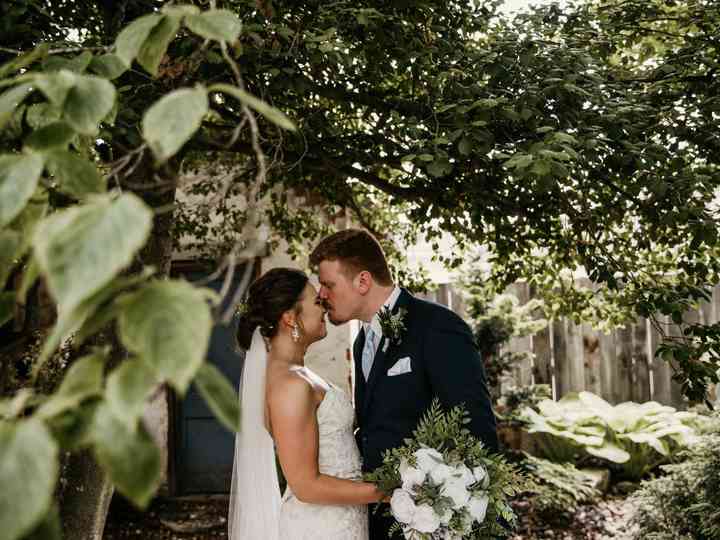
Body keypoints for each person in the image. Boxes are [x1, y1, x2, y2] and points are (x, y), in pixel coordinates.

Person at [310, 229, 499, 540]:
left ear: (363, 281)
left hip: (436, 521)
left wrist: (464, 523)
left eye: (329, 284)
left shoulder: (438, 327)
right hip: (384, 519)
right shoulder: (361, 343)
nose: (322, 294)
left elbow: (476, 431)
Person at [228, 268, 382, 540]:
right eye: (316, 301)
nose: (323, 306)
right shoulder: (291, 385)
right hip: (322, 528)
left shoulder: (295, 373)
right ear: (290, 318)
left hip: (339, 519)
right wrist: (387, 491)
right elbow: (305, 486)